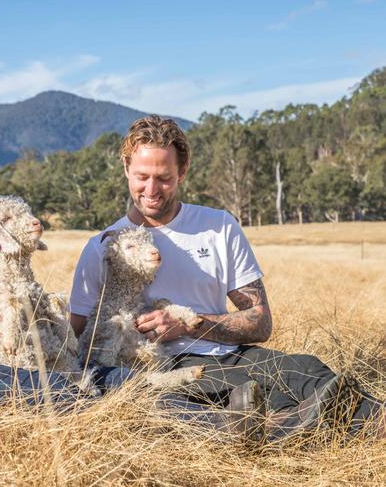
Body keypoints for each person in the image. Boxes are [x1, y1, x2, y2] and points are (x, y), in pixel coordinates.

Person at [0, 102, 266, 441]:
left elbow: (14, 262)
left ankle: (230, 415)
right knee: (65, 392)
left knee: (101, 375)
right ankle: (216, 427)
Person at [69, 115, 385, 440]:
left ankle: (373, 425)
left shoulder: (217, 226)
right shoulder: (103, 247)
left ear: (183, 170)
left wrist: (190, 324)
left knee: (307, 370)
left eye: (163, 178)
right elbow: (76, 340)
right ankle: (291, 428)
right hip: (158, 369)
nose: (151, 190)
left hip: (227, 355)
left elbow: (260, 322)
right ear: (125, 168)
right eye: (141, 176)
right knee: (249, 398)